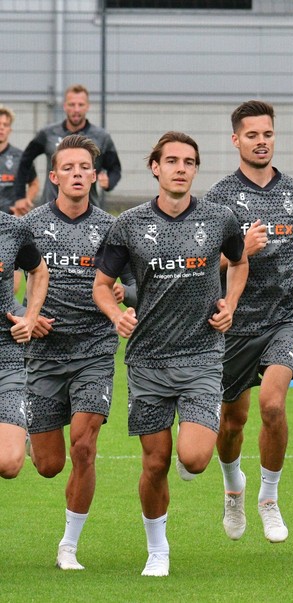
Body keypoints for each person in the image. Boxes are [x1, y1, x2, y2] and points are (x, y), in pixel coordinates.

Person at [93, 131, 248, 577]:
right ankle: (157, 549)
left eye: (190, 161)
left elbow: (239, 263)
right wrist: (115, 314)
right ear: (155, 168)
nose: (181, 168)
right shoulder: (128, 224)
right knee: (155, 462)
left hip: (202, 356)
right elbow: (102, 286)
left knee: (194, 458)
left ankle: (216, 473)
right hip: (147, 363)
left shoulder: (220, 218)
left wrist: (230, 305)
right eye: (173, 161)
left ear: (196, 170)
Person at [197, 100, 293, 544]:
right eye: (252, 135)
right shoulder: (218, 199)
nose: (261, 141)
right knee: (231, 422)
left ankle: (269, 499)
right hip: (234, 321)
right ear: (236, 140)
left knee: (272, 404)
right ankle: (234, 488)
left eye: (267, 133)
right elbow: (203, 265)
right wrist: (241, 251)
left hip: (285, 315)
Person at [19, 135, 134, 571]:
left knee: (84, 447)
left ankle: (69, 545)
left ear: (95, 174)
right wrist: (23, 315)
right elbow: (8, 283)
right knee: (49, 466)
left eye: (84, 167)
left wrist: (127, 291)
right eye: (67, 168)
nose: (77, 174)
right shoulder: (28, 226)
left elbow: (140, 282)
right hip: (44, 354)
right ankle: (34, 438)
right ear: (53, 176)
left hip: (94, 351)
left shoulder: (112, 228)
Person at [12, 84, 122, 215]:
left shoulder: (101, 137)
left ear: (87, 106)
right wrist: (20, 195)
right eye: (72, 104)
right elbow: (25, 160)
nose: (76, 109)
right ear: (64, 106)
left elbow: (115, 168)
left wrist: (109, 182)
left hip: (88, 212)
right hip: (50, 211)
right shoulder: (48, 134)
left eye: (80, 105)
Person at [0, 199, 48, 479]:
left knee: (9, 464)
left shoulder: (12, 228)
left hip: (6, 353)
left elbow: (39, 270)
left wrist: (29, 317)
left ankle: (21, 430)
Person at [0, 105, 39, 214]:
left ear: (10, 130)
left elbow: (34, 184)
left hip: (11, 219)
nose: (1, 128)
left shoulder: (21, 157)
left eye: (5, 125)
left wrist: (25, 202)